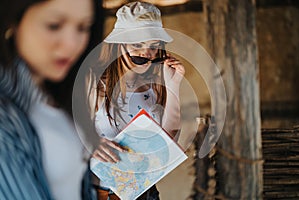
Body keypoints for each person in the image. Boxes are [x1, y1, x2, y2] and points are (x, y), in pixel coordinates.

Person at [0, 0, 103, 199]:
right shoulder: (6, 112)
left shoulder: (54, 94)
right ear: (13, 20)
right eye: (54, 26)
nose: (71, 43)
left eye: (83, 27)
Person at [86, 2, 185, 199]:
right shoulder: (94, 83)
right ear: (119, 45)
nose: (145, 53)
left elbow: (168, 141)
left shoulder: (155, 86)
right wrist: (91, 143)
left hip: (146, 194)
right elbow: (69, 134)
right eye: (137, 44)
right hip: (102, 194)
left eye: (153, 46)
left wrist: (174, 86)